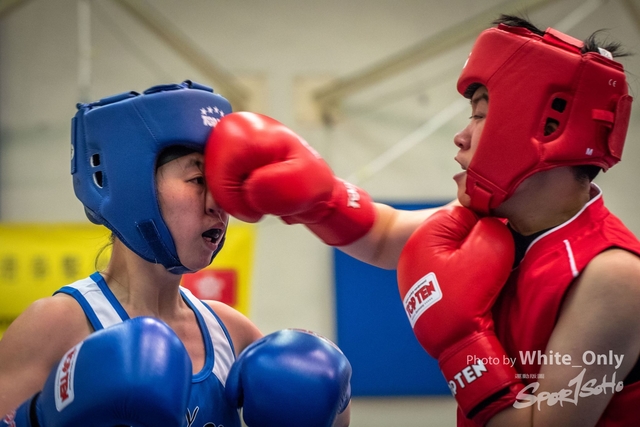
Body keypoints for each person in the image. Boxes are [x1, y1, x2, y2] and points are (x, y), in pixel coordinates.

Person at [204, 15, 640, 426]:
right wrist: (320, 199)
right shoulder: (491, 223)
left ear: (546, 129)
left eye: (481, 114)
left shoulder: (611, 275)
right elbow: (382, 236)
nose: (461, 136)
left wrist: (461, 346)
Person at [0, 81, 352, 427]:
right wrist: (37, 419)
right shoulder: (56, 324)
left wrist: (334, 400)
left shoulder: (230, 331)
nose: (218, 204)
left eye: (224, 185)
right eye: (198, 180)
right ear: (134, 186)